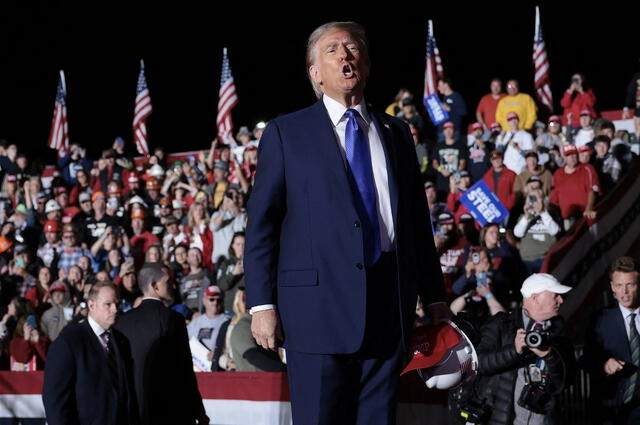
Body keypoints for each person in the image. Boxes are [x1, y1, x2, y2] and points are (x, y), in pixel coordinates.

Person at [245, 21, 448, 425]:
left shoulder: (396, 132)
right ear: (315, 73)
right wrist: (261, 303)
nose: (345, 55)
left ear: (367, 64)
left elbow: (416, 224)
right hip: (315, 313)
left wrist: (435, 294)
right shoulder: (287, 133)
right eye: (332, 49)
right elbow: (262, 224)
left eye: (352, 47)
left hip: (389, 308)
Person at [476, 273, 576, 425]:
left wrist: (549, 356)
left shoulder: (559, 330)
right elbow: (479, 363)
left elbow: (567, 381)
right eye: (555, 296)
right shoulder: (502, 324)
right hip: (503, 419)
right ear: (535, 298)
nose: (561, 300)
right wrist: (514, 350)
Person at [115, 264, 208, 425]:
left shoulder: (121, 322)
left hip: (132, 411)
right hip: (169, 410)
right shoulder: (173, 320)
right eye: (168, 281)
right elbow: (185, 370)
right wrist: (198, 411)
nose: (173, 284)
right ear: (154, 285)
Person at [43, 281, 139, 425]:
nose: (115, 309)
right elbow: (55, 400)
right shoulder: (69, 341)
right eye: (108, 304)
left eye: (117, 304)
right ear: (91, 305)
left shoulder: (121, 341)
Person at [581, 257, 640, 425]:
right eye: (619, 285)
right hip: (609, 411)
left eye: (630, 284)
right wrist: (605, 365)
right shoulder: (600, 320)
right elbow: (586, 360)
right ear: (612, 287)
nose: (625, 292)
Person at [187, 285, 229, 366]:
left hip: (217, 367)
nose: (215, 303)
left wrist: (219, 355)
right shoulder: (195, 322)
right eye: (212, 299)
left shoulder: (227, 321)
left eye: (219, 300)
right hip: (196, 368)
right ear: (204, 301)